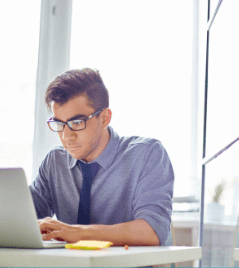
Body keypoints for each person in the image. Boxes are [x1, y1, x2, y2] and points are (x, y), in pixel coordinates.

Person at [29, 68, 174, 246]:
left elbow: (152, 231)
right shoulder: (55, 162)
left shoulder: (147, 154)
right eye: (59, 124)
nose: (66, 136)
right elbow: (24, 220)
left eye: (76, 122)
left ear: (105, 118)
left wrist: (77, 233)